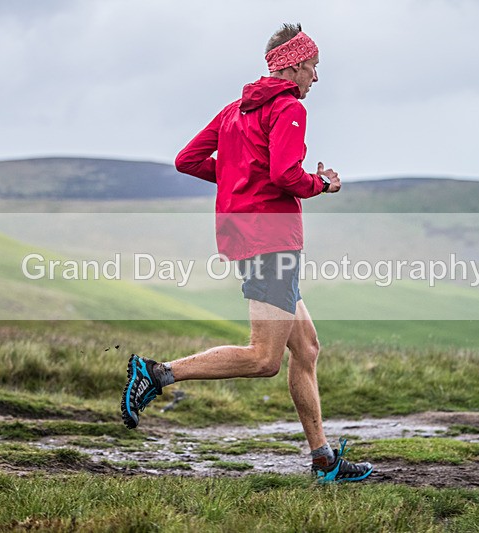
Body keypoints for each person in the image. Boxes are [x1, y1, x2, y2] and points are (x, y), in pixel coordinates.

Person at [121, 23, 373, 483]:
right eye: (313, 66)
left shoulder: (235, 110)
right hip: (272, 241)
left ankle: (323, 460)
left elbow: (188, 160)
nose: (316, 77)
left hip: (249, 236)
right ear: (293, 64)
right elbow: (285, 175)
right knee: (264, 358)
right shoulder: (289, 109)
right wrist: (323, 184)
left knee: (308, 347)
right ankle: (156, 374)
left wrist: (240, 178)